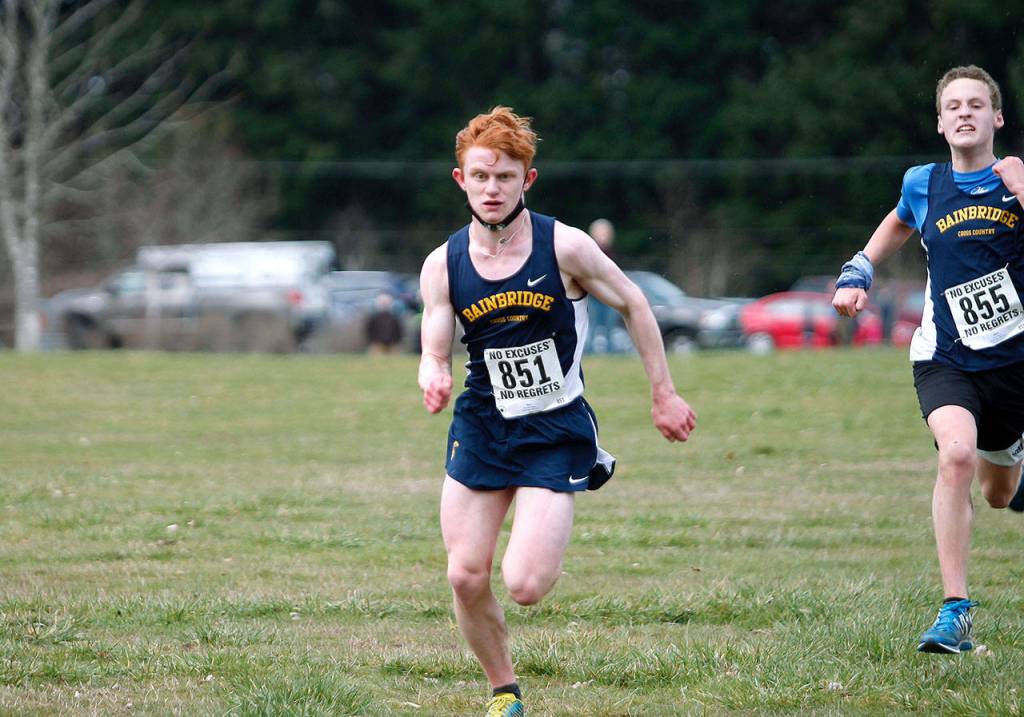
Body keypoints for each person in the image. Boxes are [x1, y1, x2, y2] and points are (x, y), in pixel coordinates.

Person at [417, 107, 697, 716]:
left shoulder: (564, 246)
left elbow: (635, 303)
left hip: (553, 429)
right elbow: (434, 342)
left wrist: (663, 393)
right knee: (465, 576)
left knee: (525, 586)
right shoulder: (443, 263)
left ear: (528, 181)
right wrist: (432, 371)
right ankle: (504, 693)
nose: (493, 189)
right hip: (483, 427)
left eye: (506, 178)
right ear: (460, 179)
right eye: (481, 176)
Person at [832, 65, 1024, 654]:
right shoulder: (924, 182)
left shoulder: (1017, 178)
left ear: (996, 118)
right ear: (941, 123)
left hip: (1016, 367)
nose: (964, 113)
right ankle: (955, 611)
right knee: (957, 455)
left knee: (997, 492)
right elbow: (896, 222)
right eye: (953, 106)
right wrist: (860, 268)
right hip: (946, 358)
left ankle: (1014, 454)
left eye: (975, 104)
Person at [585, 218, 622, 353]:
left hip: (609, 298)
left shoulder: (612, 253)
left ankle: (609, 353)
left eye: (605, 233)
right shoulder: (589, 253)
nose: (603, 237)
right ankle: (590, 353)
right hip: (594, 298)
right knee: (593, 328)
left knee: (609, 328)